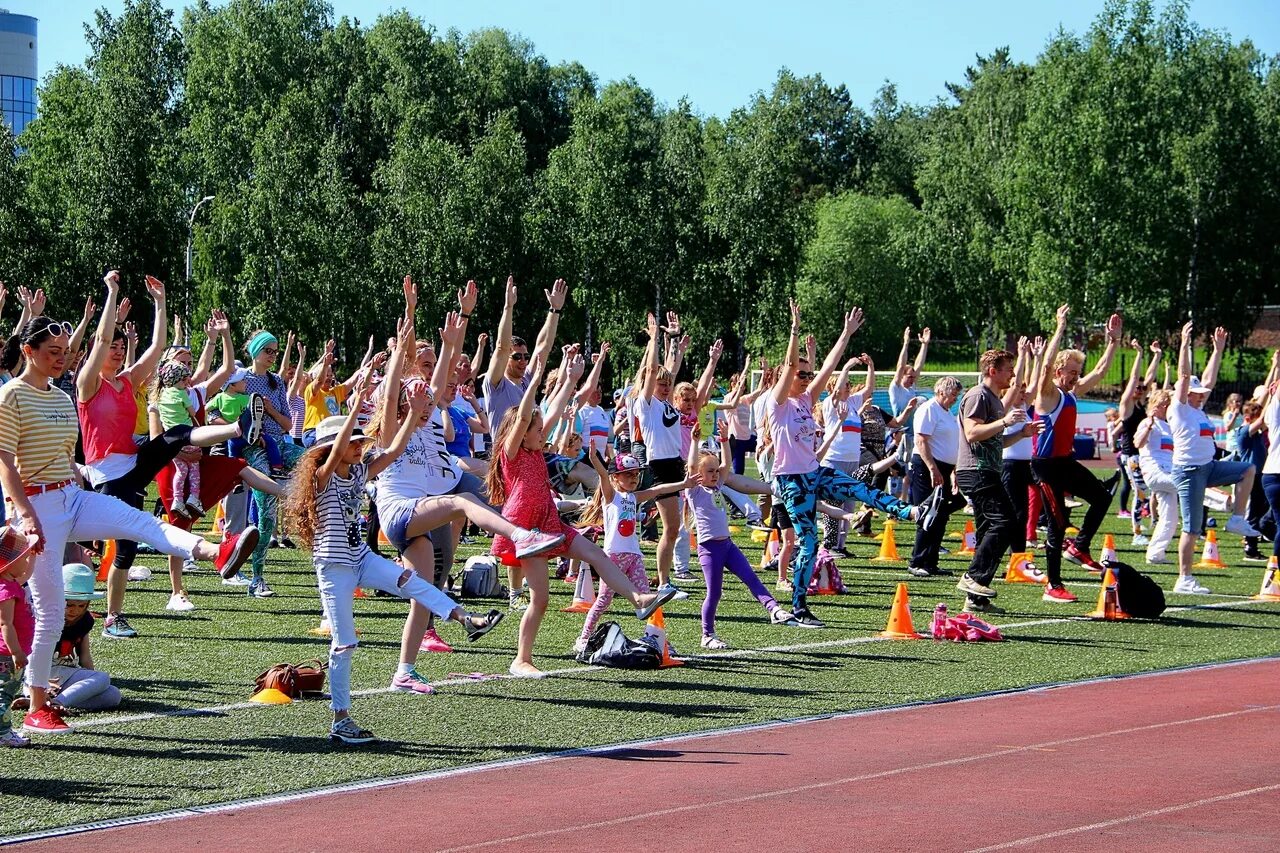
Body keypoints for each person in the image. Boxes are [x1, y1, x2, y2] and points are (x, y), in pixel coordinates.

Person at [0, 316, 257, 735]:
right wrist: (25, 514)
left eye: (64, 354)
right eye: (52, 354)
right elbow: (4, 461)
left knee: (136, 521)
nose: (60, 361)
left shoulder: (61, 398)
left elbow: (66, 455)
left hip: (70, 495)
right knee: (49, 612)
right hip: (37, 506)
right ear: (28, 351)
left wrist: (77, 482)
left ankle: (216, 551)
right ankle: (38, 706)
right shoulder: (11, 395)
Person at [372, 283, 569, 688]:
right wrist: (407, 322)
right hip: (398, 513)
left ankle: (403, 673)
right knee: (462, 500)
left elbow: (441, 373)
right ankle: (520, 535)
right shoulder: (394, 427)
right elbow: (396, 384)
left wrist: (459, 325)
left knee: (423, 595)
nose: (431, 400)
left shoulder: (428, 424)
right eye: (422, 398)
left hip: (418, 521)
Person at [284, 396, 504, 745]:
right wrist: (354, 408)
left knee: (414, 582)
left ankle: (464, 619)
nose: (359, 448)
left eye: (360, 442)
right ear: (330, 451)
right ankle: (341, 720)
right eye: (352, 443)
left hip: (361, 557)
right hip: (334, 568)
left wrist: (415, 414)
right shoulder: (323, 478)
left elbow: (396, 448)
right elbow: (340, 444)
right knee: (344, 644)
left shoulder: (359, 471)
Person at [487, 343, 678, 678]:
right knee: (541, 599)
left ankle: (639, 599)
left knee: (597, 554)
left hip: (549, 520)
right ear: (521, 429)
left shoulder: (535, 449)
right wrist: (536, 383)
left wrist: (571, 379)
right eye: (536, 427)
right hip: (527, 529)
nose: (542, 430)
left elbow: (556, 407)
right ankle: (521, 659)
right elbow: (526, 414)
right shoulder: (513, 451)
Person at [75, 273, 251, 636]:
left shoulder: (127, 381)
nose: (118, 351)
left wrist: (160, 302)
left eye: (122, 348)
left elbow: (157, 349)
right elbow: (104, 335)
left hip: (135, 462)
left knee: (176, 436)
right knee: (126, 549)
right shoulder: (87, 385)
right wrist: (111, 294)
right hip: (109, 475)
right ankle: (112, 617)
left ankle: (237, 429)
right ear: (97, 351)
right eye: (112, 347)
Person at [768, 300, 936, 628]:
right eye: (801, 375)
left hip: (814, 472)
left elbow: (829, 368)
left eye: (808, 374)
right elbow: (789, 365)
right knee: (809, 543)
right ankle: (799, 607)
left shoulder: (805, 400)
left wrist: (845, 334)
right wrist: (795, 328)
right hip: (792, 482)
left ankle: (911, 512)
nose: (805, 378)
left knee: (859, 486)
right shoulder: (778, 404)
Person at [1031, 304, 1122, 602]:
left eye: (1077, 373)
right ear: (1059, 371)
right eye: (1071, 372)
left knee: (1102, 497)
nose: (1076, 377)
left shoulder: (1070, 393)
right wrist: (1059, 326)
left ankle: (1080, 547)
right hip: (1045, 467)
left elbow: (1100, 371)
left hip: (1065, 463)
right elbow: (1044, 367)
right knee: (1057, 526)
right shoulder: (1048, 393)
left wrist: (1113, 342)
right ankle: (1052, 585)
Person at [1169, 322, 1260, 595]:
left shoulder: (1197, 409)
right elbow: (1185, 375)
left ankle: (1236, 518)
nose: (1200, 395)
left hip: (1208, 467)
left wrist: (1218, 351)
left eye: (1200, 394)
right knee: (1192, 528)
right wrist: (1185, 344)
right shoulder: (1180, 407)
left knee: (1248, 469)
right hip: (1189, 472)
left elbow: (1207, 380)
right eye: (1195, 393)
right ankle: (1184, 579)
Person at [573, 452, 696, 652]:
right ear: (615, 477)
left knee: (650, 599)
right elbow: (603, 476)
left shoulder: (633, 497)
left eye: (636, 474)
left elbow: (658, 489)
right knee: (604, 600)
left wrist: (683, 485)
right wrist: (595, 459)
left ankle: (659, 639)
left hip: (634, 557)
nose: (634, 478)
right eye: (628, 474)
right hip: (612, 557)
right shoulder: (611, 497)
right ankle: (584, 637)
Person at [685, 438, 797, 648]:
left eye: (715, 471)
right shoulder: (695, 491)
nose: (715, 474)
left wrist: (725, 440)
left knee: (750, 577)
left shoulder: (717, 487)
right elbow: (691, 466)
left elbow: (726, 464)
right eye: (710, 471)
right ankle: (707, 635)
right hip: (709, 549)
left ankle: (773, 609)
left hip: (727, 545)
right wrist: (694, 441)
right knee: (715, 593)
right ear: (698, 474)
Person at [954, 349, 1043, 614]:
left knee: (987, 531)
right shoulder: (979, 395)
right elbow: (972, 433)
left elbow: (994, 441)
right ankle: (973, 577)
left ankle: (975, 598)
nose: (1013, 374)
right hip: (975, 471)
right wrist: (1004, 421)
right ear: (993, 371)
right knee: (1006, 521)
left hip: (987, 470)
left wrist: (1021, 434)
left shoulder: (993, 399)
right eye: (1008, 369)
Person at [240, 327, 309, 595]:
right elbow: (220, 413)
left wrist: (269, 410)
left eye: (275, 352)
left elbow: (287, 424)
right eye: (268, 351)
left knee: (313, 461)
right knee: (266, 511)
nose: (272, 356)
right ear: (256, 352)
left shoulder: (277, 382)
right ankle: (257, 578)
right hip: (254, 448)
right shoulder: (240, 379)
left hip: (279, 443)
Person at [634, 313, 693, 593]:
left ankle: (664, 580)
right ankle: (664, 582)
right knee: (672, 529)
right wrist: (656, 338)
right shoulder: (646, 405)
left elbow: (669, 369)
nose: (666, 385)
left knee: (673, 528)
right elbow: (653, 371)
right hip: (660, 466)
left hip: (675, 464)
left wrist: (674, 339)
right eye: (661, 383)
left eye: (668, 383)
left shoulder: (666, 402)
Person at [906, 376, 966, 578]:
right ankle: (917, 560)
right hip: (927, 466)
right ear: (941, 392)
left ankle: (931, 561)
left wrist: (954, 471)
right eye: (952, 395)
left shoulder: (947, 413)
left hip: (944, 467)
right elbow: (921, 440)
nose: (954, 399)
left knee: (941, 514)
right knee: (929, 514)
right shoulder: (929, 409)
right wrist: (933, 468)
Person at [45, 563, 121, 712]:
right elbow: (31, 655)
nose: (75, 611)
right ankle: (55, 702)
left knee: (113, 695)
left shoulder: (85, 621)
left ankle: (51, 700)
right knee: (103, 677)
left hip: (66, 674)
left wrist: (91, 679)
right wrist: (40, 681)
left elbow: (85, 657)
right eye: (70, 605)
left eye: (81, 606)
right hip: (42, 674)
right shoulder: (46, 618)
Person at [819, 354, 872, 558]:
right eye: (845, 384)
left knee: (849, 502)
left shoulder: (851, 404)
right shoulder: (829, 405)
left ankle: (841, 545)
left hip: (852, 460)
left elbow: (868, 389)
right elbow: (837, 390)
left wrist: (871, 367)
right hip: (834, 459)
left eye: (850, 384)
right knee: (834, 502)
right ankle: (829, 544)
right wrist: (847, 367)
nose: (848, 387)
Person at [1115, 339, 1162, 543]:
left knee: (1144, 491)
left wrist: (1157, 355)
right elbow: (1136, 378)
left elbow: (1148, 379)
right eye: (1137, 388)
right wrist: (1139, 355)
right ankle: (1137, 533)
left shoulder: (1142, 403)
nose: (1141, 390)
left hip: (1142, 454)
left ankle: (1140, 527)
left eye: (1143, 389)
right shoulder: (1127, 406)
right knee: (1140, 491)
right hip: (1131, 456)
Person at [1134, 389, 1179, 565]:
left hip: (1169, 471)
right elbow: (1138, 443)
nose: (1166, 407)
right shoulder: (1147, 422)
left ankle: (1155, 553)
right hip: (1154, 471)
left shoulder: (1169, 426)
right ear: (1154, 405)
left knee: (1170, 518)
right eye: (1162, 404)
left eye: (1167, 404)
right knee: (1191, 485)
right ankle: (1225, 503)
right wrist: (1149, 425)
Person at [155, 361, 205, 518]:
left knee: (181, 471)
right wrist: (200, 430)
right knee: (194, 467)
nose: (186, 382)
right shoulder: (182, 393)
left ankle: (178, 499)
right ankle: (194, 498)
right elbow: (192, 413)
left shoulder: (161, 395)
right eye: (184, 379)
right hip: (187, 436)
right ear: (175, 379)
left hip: (172, 441)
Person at [889, 326, 931, 498]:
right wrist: (906, 343)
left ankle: (905, 503)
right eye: (910, 376)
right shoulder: (896, 388)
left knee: (909, 472)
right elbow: (900, 366)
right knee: (896, 470)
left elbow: (919, 365)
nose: (913, 379)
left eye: (914, 377)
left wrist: (924, 345)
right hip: (901, 434)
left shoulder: (912, 388)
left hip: (913, 435)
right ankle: (892, 504)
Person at [0, 546, 34, 747]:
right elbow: (6, 624)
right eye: (24, 557)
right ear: (9, 564)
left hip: (7, 653)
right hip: (7, 655)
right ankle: (3, 733)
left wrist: (33, 557)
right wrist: (16, 652)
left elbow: (26, 573)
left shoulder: (9, 582)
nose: (27, 560)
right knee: (4, 694)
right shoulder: (7, 590)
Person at [1235, 399, 1270, 561]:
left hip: (1260, 475)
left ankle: (1254, 541)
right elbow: (1262, 419)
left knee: (1261, 510)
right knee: (1253, 513)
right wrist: (1272, 398)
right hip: (1251, 476)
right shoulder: (1244, 431)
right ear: (1248, 419)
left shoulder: (1258, 435)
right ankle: (1250, 547)